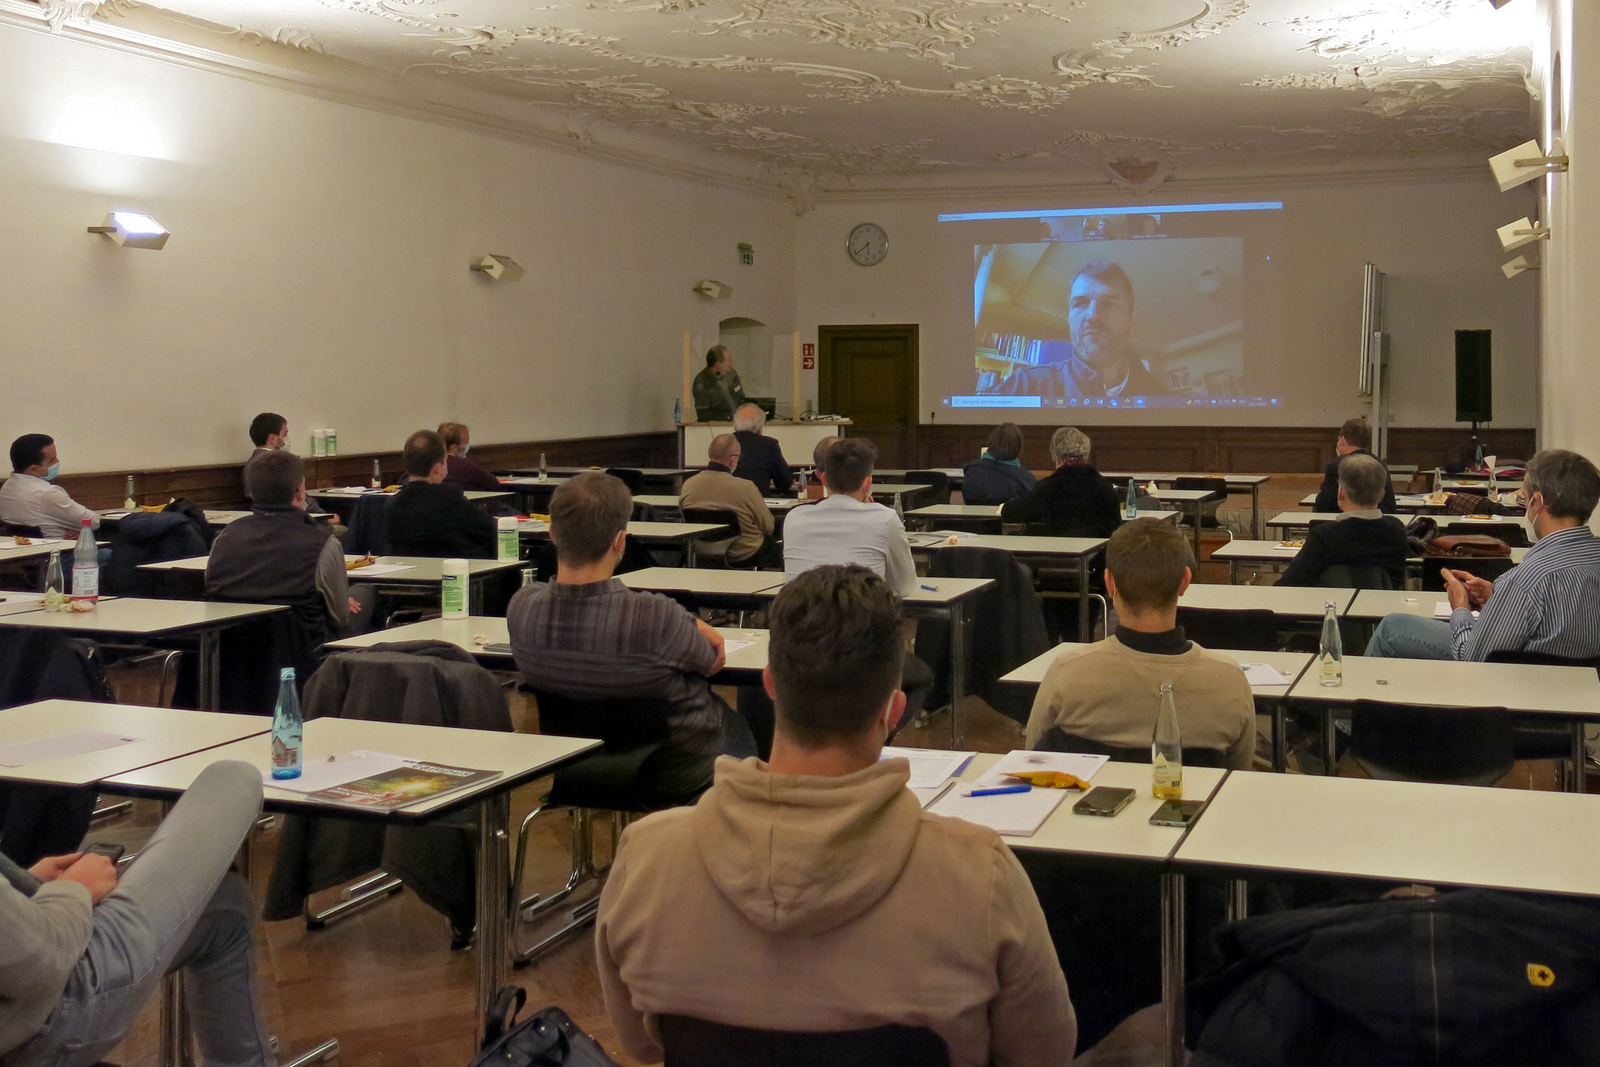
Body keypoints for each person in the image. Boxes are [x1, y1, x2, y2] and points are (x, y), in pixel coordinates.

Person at [595, 565, 1077, 1067]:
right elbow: (1043, 1051)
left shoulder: (645, 858)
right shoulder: (982, 874)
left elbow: (641, 1042)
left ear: (770, 685)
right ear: (892, 712)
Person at [0, 760, 276, 1067]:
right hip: (43, 1011)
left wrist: (19, 886)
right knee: (233, 777)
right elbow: (41, 958)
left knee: (224, 906)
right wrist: (73, 889)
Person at [508, 472, 755, 798]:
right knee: (746, 730)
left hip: (573, 765)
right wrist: (691, 622)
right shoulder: (656, 616)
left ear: (553, 534)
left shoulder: (522, 607)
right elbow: (710, 663)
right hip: (673, 765)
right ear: (620, 541)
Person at [1025, 518, 1255, 766]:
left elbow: (1035, 759)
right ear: (1185, 581)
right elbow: (1239, 768)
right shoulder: (1229, 679)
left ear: (1109, 582)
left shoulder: (1067, 671)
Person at [1366, 449, 1600, 662]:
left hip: (1517, 689)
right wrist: (1498, 599)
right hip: (1579, 691)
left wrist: (1461, 609)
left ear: (1537, 502)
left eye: (1525, 498)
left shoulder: (1524, 581)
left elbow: (1474, 658)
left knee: (1391, 628)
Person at [207, 449, 357, 644]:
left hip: (229, 651)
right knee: (366, 596)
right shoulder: (323, 544)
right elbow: (339, 617)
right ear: (299, 492)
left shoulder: (224, 538)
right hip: (306, 651)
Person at [989, 262, 1167, 400]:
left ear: (1132, 322)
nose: (1092, 315)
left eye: (1109, 303)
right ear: (1069, 318)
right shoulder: (1025, 385)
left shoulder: (1164, 399)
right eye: (1080, 303)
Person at [782, 437, 915, 595]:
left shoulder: (794, 518)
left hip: (801, 616)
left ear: (823, 479)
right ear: (867, 483)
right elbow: (905, 586)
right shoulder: (885, 519)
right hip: (861, 617)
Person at [1277, 453, 1408, 589]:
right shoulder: (1396, 530)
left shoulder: (1324, 536)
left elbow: (1292, 582)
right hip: (1383, 607)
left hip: (1331, 608)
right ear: (1382, 494)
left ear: (1341, 492)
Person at [384, 430, 497, 558]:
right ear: (437, 468)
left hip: (409, 573)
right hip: (453, 570)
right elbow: (487, 528)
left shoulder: (391, 504)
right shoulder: (449, 499)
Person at [999, 426, 1121, 537]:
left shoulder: (1047, 489)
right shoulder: (1106, 489)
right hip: (1097, 559)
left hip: (1056, 559)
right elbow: (1116, 529)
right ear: (1086, 455)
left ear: (1055, 457)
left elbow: (1011, 513)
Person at [680, 435, 780, 568]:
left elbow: (684, 517)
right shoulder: (745, 487)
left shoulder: (688, 484)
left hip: (701, 550)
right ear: (733, 460)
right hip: (744, 552)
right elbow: (768, 527)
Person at [0, 434, 99, 539]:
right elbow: (93, 521)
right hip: (61, 551)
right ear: (34, 469)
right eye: (52, 460)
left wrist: (81, 530)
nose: (57, 462)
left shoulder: (6, 489)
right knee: (108, 552)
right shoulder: (47, 493)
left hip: (27, 551)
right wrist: (83, 530)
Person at [1313, 417, 1397, 513]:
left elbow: (1325, 504)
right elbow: (1390, 505)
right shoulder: (1379, 464)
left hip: (1343, 523)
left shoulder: (1336, 466)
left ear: (1342, 440)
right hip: (1379, 523)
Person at [961, 422, 1036, 506]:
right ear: (1018, 448)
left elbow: (968, 498)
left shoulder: (972, 471)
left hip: (974, 518)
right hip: (1008, 518)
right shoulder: (1026, 479)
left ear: (991, 442)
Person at [729, 403, 793, 496]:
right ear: (760, 427)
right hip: (756, 505)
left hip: (726, 505)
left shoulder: (723, 443)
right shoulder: (768, 445)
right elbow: (784, 483)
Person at [436, 422, 505, 494]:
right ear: (454, 447)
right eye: (465, 443)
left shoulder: (431, 464)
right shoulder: (465, 465)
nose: (467, 446)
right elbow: (494, 484)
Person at [691, 345, 746, 422]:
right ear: (718, 365)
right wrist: (728, 416)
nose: (732, 363)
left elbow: (741, 398)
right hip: (716, 426)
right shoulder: (702, 381)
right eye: (729, 360)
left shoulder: (732, 374)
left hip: (739, 423)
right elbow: (703, 413)